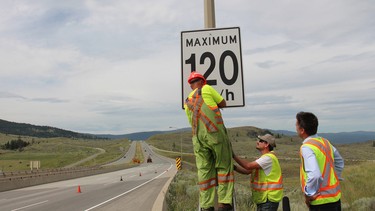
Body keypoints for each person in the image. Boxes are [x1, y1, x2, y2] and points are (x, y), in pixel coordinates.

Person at [184, 71, 234, 211]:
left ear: (191, 85)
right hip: (215, 135)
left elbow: (191, 122)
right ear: (202, 81)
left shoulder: (187, 101)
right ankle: (224, 202)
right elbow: (223, 103)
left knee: (205, 172)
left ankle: (206, 206)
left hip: (198, 140)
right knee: (224, 165)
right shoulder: (207, 88)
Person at [295, 111, 344, 210]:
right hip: (335, 198)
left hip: (320, 201)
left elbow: (315, 175)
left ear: (302, 130)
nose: (295, 127)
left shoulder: (307, 147)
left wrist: (309, 194)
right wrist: (334, 179)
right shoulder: (325, 142)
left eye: (296, 124)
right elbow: (339, 162)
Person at [233, 134, 283, 211]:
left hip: (268, 199)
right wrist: (233, 167)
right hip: (263, 199)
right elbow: (247, 171)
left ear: (266, 144)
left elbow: (248, 166)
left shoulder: (268, 158)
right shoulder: (264, 158)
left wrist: (233, 155)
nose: (257, 142)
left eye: (260, 141)